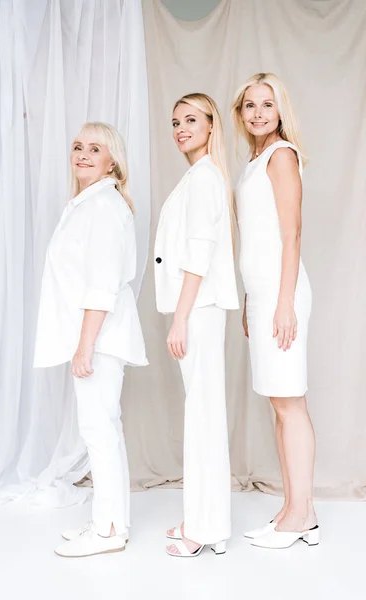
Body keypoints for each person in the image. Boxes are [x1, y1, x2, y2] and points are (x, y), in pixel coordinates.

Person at [34, 122, 147, 557]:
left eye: (93, 148)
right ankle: (111, 519)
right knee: (105, 429)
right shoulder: (91, 203)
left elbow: (101, 285)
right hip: (99, 335)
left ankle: (107, 531)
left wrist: (85, 345)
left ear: (111, 160)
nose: (81, 154)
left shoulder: (102, 207)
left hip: (99, 338)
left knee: (99, 430)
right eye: (78, 147)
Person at [231, 73, 318, 549]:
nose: (259, 112)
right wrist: (252, 300)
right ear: (241, 113)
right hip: (264, 295)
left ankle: (301, 515)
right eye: (250, 105)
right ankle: (292, 507)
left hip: (282, 298)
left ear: (281, 110)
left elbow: (291, 236)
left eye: (268, 104)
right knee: (278, 404)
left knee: (290, 403)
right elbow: (256, 240)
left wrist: (283, 304)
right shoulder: (255, 161)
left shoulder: (281, 156)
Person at [154, 93, 239, 557]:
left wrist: (180, 318)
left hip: (199, 311)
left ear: (210, 126)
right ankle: (208, 524)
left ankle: (202, 530)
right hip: (197, 310)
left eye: (190, 119)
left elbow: (198, 254)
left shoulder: (205, 178)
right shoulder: (198, 177)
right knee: (203, 414)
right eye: (175, 121)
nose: (181, 128)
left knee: (202, 417)